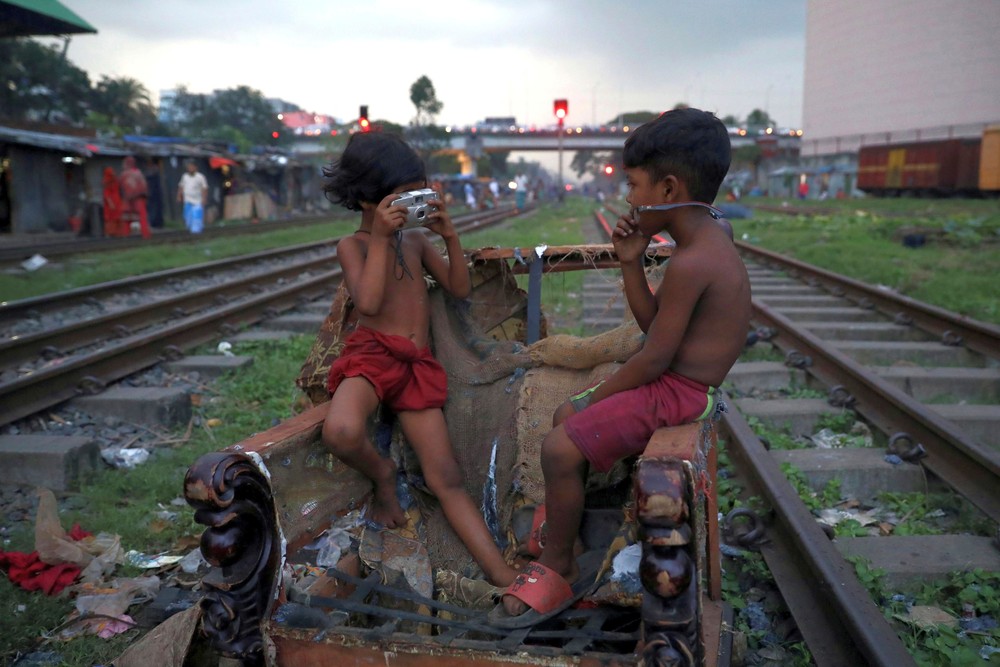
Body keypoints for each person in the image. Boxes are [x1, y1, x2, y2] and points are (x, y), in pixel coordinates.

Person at [494, 108, 752, 623]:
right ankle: (568, 526)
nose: (630, 198)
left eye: (634, 185)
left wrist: (592, 396)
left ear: (669, 188)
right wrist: (631, 261)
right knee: (565, 424)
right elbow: (657, 323)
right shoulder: (707, 239)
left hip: (680, 390)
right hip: (680, 382)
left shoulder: (692, 261)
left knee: (558, 442)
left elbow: (653, 354)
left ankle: (559, 561)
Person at [320, 132, 516, 589]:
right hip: (371, 358)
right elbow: (368, 303)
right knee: (341, 431)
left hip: (416, 366)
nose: (409, 203)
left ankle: (499, 572)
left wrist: (449, 234)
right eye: (400, 194)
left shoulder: (415, 243)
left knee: (445, 475)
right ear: (369, 196)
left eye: (415, 193)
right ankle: (384, 476)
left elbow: (459, 288)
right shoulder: (354, 247)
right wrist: (383, 239)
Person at [119, 156, 151, 239]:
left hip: (127, 198)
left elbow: (121, 187)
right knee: (142, 217)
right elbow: (144, 186)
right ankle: (145, 234)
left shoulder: (123, 174)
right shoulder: (138, 173)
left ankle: (125, 235)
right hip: (139, 198)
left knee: (126, 217)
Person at [177, 160, 208, 233]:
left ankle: (196, 231)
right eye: (189, 167)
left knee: (196, 216)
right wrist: (179, 196)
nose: (190, 168)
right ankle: (190, 231)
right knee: (188, 218)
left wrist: (204, 198)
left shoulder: (200, 177)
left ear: (195, 167)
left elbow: (204, 188)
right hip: (187, 200)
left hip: (197, 201)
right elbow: (181, 187)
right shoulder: (185, 177)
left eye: (191, 167)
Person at [101, 167, 124, 238]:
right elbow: (106, 194)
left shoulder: (115, 180)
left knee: (118, 217)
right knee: (111, 219)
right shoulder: (106, 181)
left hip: (117, 201)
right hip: (112, 203)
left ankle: (119, 233)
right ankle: (111, 233)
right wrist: (110, 203)